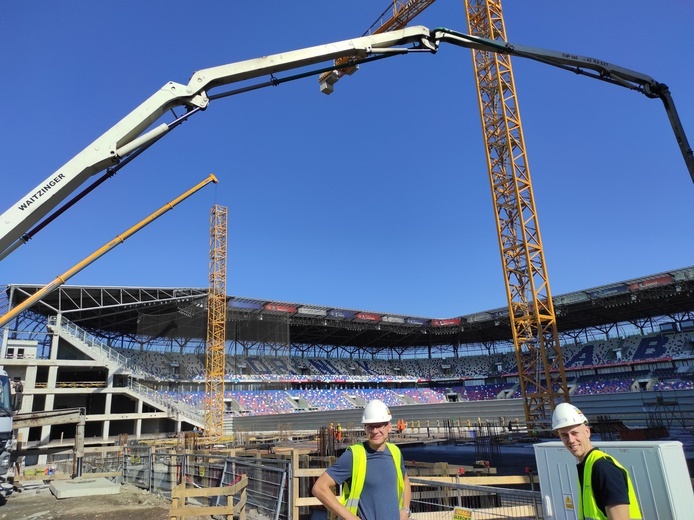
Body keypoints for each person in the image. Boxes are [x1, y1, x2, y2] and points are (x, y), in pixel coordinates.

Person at [312, 399, 411, 520]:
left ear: (389, 427)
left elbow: (405, 480)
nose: (375, 431)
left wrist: (405, 509)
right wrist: (350, 517)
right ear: (364, 428)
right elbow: (319, 488)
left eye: (379, 425)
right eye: (370, 426)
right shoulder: (354, 455)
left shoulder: (395, 452)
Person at [552, 402, 642, 520]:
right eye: (564, 435)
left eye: (574, 433)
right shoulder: (588, 466)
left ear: (587, 432)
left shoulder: (603, 467)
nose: (571, 440)